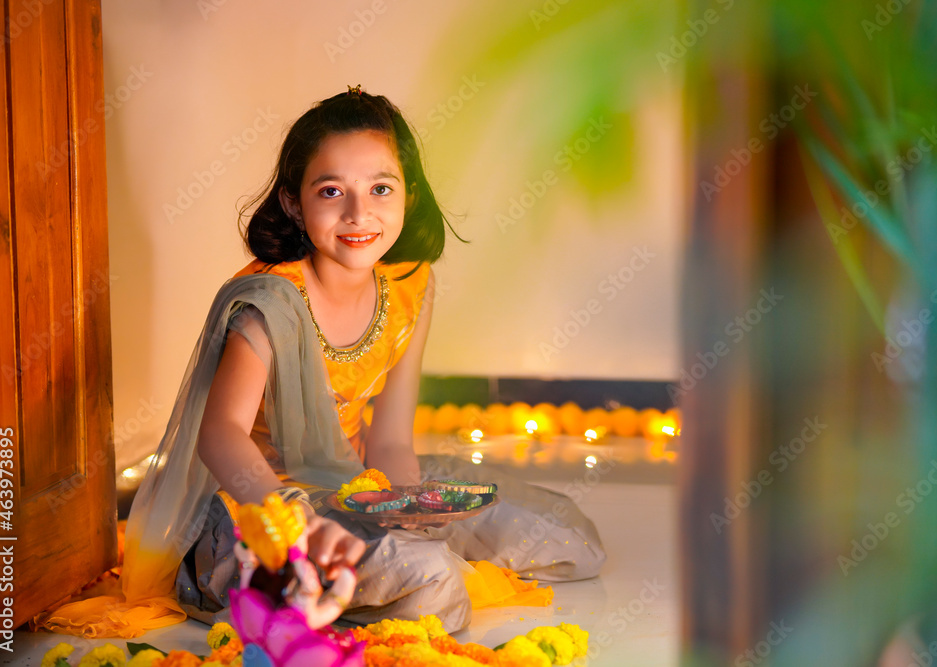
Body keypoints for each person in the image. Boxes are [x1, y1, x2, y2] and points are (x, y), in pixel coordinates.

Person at [37, 87, 605, 638]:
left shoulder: (411, 287)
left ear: (410, 194)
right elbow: (220, 436)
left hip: (358, 485)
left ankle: (373, 569)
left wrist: (407, 509)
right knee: (434, 581)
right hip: (259, 506)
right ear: (293, 201)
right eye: (332, 192)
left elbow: (390, 444)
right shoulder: (270, 302)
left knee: (569, 543)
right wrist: (297, 526)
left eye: (381, 188)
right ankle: (317, 579)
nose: (360, 214)